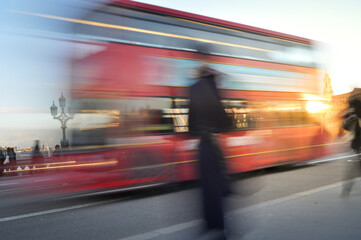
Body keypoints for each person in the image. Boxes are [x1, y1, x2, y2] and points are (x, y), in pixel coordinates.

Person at [188, 46, 232, 239]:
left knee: (206, 188)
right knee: (218, 187)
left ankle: (208, 224)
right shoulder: (213, 87)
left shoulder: (193, 88)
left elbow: (190, 125)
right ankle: (220, 228)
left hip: (202, 145)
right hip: (213, 144)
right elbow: (224, 122)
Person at [340, 91, 361, 197]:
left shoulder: (351, 108)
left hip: (356, 143)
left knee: (355, 167)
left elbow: (345, 126)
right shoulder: (354, 107)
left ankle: (346, 189)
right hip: (358, 142)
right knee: (355, 167)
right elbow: (346, 125)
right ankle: (346, 189)